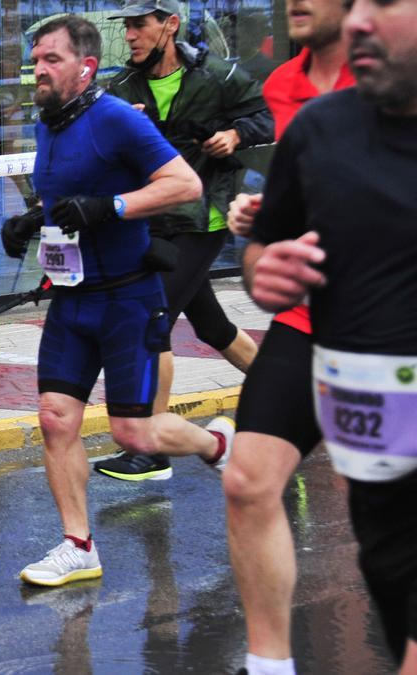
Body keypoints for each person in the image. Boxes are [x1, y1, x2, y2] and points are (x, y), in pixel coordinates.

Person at [0, 15, 235, 588]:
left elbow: (185, 185)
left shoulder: (114, 118)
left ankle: (218, 443)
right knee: (57, 419)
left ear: (84, 67)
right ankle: (78, 545)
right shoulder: (51, 123)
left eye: (51, 60)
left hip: (129, 299)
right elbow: (72, 195)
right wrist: (36, 218)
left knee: (136, 435)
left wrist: (115, 208)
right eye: (35, 61)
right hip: (73, 300)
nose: (39, 71)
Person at [246, 0, 417, 666]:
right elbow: (264, 247)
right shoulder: (319, 129)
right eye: (358, 6)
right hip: (381, 461)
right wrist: (269, 273)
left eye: (384, 1)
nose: (359, 23)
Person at [218, 0, 355, 672]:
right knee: (247, 479)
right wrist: (263, 219)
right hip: (308, 320)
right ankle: (270, 664)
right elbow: (295, 198)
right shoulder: (281, 85)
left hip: (392, 323)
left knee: (392, 510)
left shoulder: (394, 75)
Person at [95, 0, 273, 481]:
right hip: (153, 218)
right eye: (126, 26)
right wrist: (120, 127)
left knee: (154, 319)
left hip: (201, 217)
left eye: (140, 25)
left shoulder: (218, 76)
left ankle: (152, 449)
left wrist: (235, 135)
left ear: (169, 25)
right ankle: (285, 401)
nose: (129, 35)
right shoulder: (121, 87)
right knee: (213, 327)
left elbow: (265, 119)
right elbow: (100, 146)